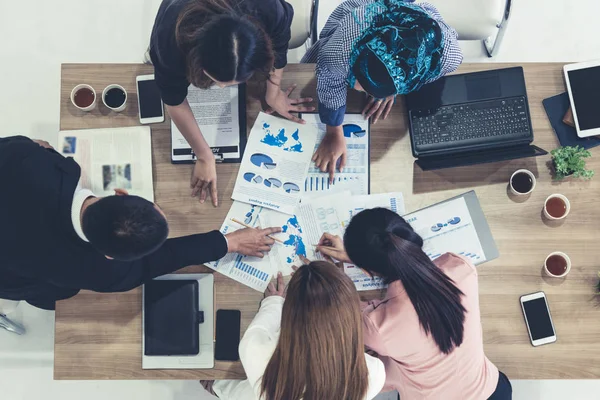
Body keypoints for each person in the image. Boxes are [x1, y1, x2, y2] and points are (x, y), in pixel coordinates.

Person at [0, 136, 280, 310]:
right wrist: (227, 242)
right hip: (11, 273)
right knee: (60, 292)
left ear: (121, 193)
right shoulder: (97, 272)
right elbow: (156, 262)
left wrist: (40, 151)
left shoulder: (25, 156)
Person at [317, 208, 512, 400]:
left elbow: (345, 310)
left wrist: (347, 271)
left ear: (367, 272)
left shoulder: (377, 326)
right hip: (494, 391)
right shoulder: (461, 268)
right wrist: (363, 258)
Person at [150, 0, 314, 206]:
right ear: (196, 60)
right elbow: (174, 101)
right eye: (218, 81)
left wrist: (274, 90)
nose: (221, 88)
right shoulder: (169, 38)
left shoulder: (269, 8)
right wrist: (204, 156)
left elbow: (280, 42)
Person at [302, 0, 462, 181]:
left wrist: (394, 87)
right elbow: (328, 78)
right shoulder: (340, 51)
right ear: (356, 54)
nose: (362, 91)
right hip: (361, 20)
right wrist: (334, 131)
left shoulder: (447, 56)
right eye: (359, 79)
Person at [206, 262, 386, 399]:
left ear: (290, 314)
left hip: (260, 392)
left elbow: (260, 328)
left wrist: (273, 301)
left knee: (216, 382)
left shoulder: (256, 350)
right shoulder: (375, 373)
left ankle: (216, 388)